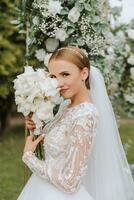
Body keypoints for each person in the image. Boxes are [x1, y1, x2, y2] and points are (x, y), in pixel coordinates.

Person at [17, 46, 134, 200]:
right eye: (53, 76)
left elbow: (70, 182)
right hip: (44, 188)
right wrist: (36, 124)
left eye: (65, 74)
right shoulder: (67, 106)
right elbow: (59, 143)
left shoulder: (86, 115)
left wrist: (29, 157)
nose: (58, 83)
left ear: (84, 73)